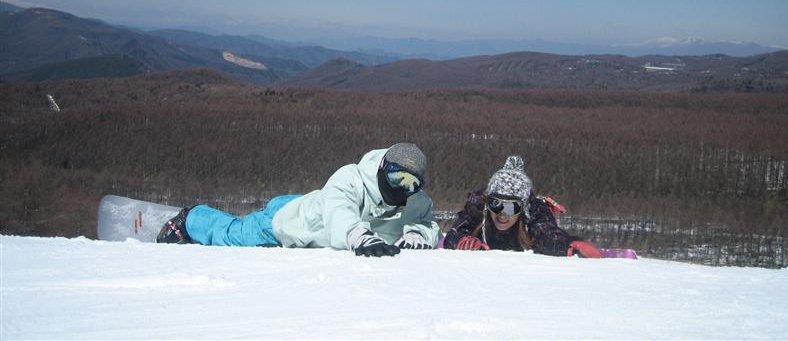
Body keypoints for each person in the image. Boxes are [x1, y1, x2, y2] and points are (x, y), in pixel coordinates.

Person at [157, 143, 441, 257]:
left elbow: (429, 224)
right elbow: (340, 213)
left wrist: (418, 234)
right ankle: (189, 219)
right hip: (289, 220)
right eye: (397, 177)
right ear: (382, 168)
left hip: (313, 205)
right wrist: (358, 236)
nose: (403, 188)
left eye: (412, 183)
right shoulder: (351, 178)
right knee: (233, 235)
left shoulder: (416, 201)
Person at [443, 156, 602, 257]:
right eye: (495, 204)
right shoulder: (478, 206)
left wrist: (569, 244)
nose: (502, 214)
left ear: (523, 208)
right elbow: (454, 234)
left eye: (512, 207)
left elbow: (547, 234)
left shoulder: (535, 211)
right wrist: (462, 240)